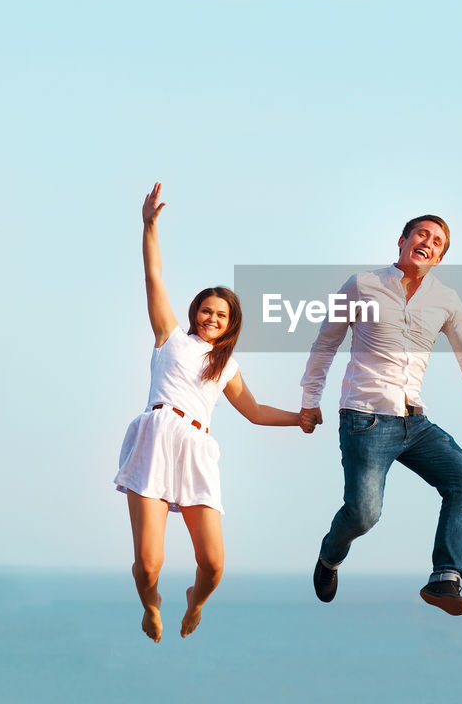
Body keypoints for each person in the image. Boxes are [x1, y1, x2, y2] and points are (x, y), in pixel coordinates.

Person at [115, 183, 314, 643]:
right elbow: (154, 278)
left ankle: (195, 601)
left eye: (220, 316)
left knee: (214, 566)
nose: (211, 318)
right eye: (206, 311)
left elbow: (255, 410)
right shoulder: (170, 337)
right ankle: (151, 603)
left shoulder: (227, 366)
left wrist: (300, 417)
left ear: (230, 326)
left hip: (196, 450)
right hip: (155, 437)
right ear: (195, 312)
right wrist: (148, 227)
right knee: (148, 564)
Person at [300, 215, 462, 616]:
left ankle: (445, 577)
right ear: (403, 241)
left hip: (416, 423)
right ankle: (330, 555)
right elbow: (326, 342)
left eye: (437, 241)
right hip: (365, 419)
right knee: (364, 514)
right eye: (421, 234)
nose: (427, 242)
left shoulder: (446, 300)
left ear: (440, 257)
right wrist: (310, 400)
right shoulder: (361, 285)